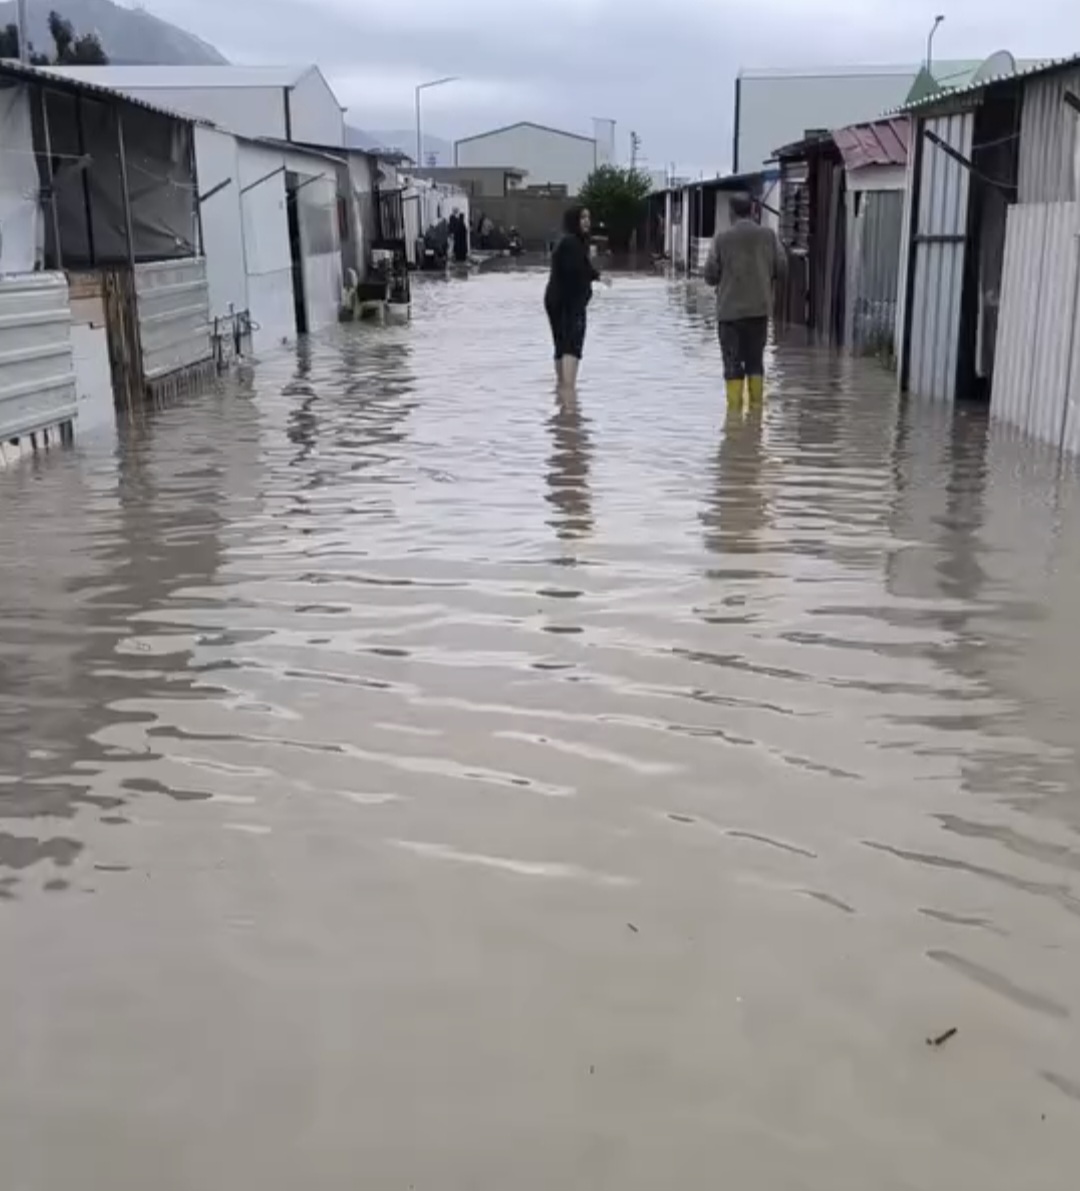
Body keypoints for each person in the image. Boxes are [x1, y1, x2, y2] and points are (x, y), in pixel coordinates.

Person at [703, 194, 786, 407]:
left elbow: (710, 276)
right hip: (758, 312)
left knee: (732, 365)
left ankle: (734, 421)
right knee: (755, 363)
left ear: (731, 213)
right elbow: (783, 269)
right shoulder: (768, 236)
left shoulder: (721, 239)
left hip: (729, 314)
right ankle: (756, 415)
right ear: (753, 211)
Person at [544, 205, 603, 391]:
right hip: (568, 301)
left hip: (556, 299)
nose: (587, 221)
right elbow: (576, 270)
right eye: (582, 217)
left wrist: (598, 276)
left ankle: (562, 390)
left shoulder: (569, 241)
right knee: (572, 345)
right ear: (573, 221)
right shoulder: (572, 243)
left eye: (588, 217)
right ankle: (569, 395)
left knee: (561, 345)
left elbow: (582, 267)